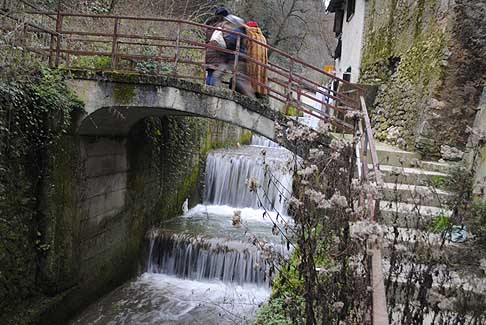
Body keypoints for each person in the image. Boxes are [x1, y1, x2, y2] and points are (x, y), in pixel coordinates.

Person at [217, 14, 255, 97]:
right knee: (241, 80)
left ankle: (251, 98)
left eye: (228, 23)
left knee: (238, 80)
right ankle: (252, 97)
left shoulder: (237, 32)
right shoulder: (242, 31)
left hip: (235, 59)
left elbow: (231, 43)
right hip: (235, 58)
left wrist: (224, 39)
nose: (226, 25)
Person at [204, 6, 229, 85]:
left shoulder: (209, 25)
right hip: (217, 51)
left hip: (208, 50)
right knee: (215, 73)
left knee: (210, 72)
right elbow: (225, 38)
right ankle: (212, 92)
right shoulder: (222, 25)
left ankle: (207, 89)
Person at [244, 21, 268, 97]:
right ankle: (259, 91)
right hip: (262, 62)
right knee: (260, 75)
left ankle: (250, 91)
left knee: (251, 74)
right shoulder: (262, 37)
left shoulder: (249, 34)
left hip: (253, 58)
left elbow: (245, 46)